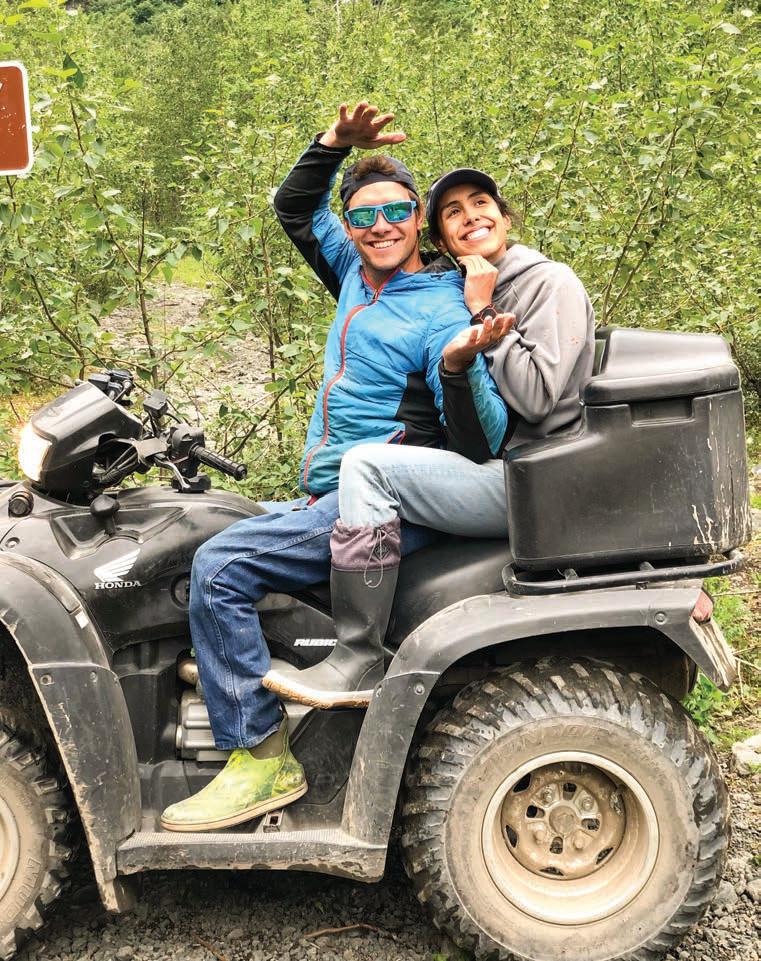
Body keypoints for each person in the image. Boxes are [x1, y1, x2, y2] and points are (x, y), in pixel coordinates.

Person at [159, 103, 511, 832]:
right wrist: (330, 146)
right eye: (364, 215)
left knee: (219, 568)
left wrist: (460, 360)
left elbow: (477, 441)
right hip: (329, 491)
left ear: (418, 220)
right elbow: (293, 208)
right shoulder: (352, 272)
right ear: (350, 228)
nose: (380, 226)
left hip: (384, 501)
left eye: (396, 211)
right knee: (197, 529)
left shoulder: (439, 308)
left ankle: (259, 755)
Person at [264, 165, 596, 709]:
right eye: (453, 212)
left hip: (533, 475)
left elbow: (536, 398)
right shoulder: (452, 282)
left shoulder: (547, 282)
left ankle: (359, 656)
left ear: (505, 216)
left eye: (482, 203)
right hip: (492, 466)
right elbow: (300, 213)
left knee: (368, 465)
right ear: (439, 237)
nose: (471, 218)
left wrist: (482, 311)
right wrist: (333, 147)